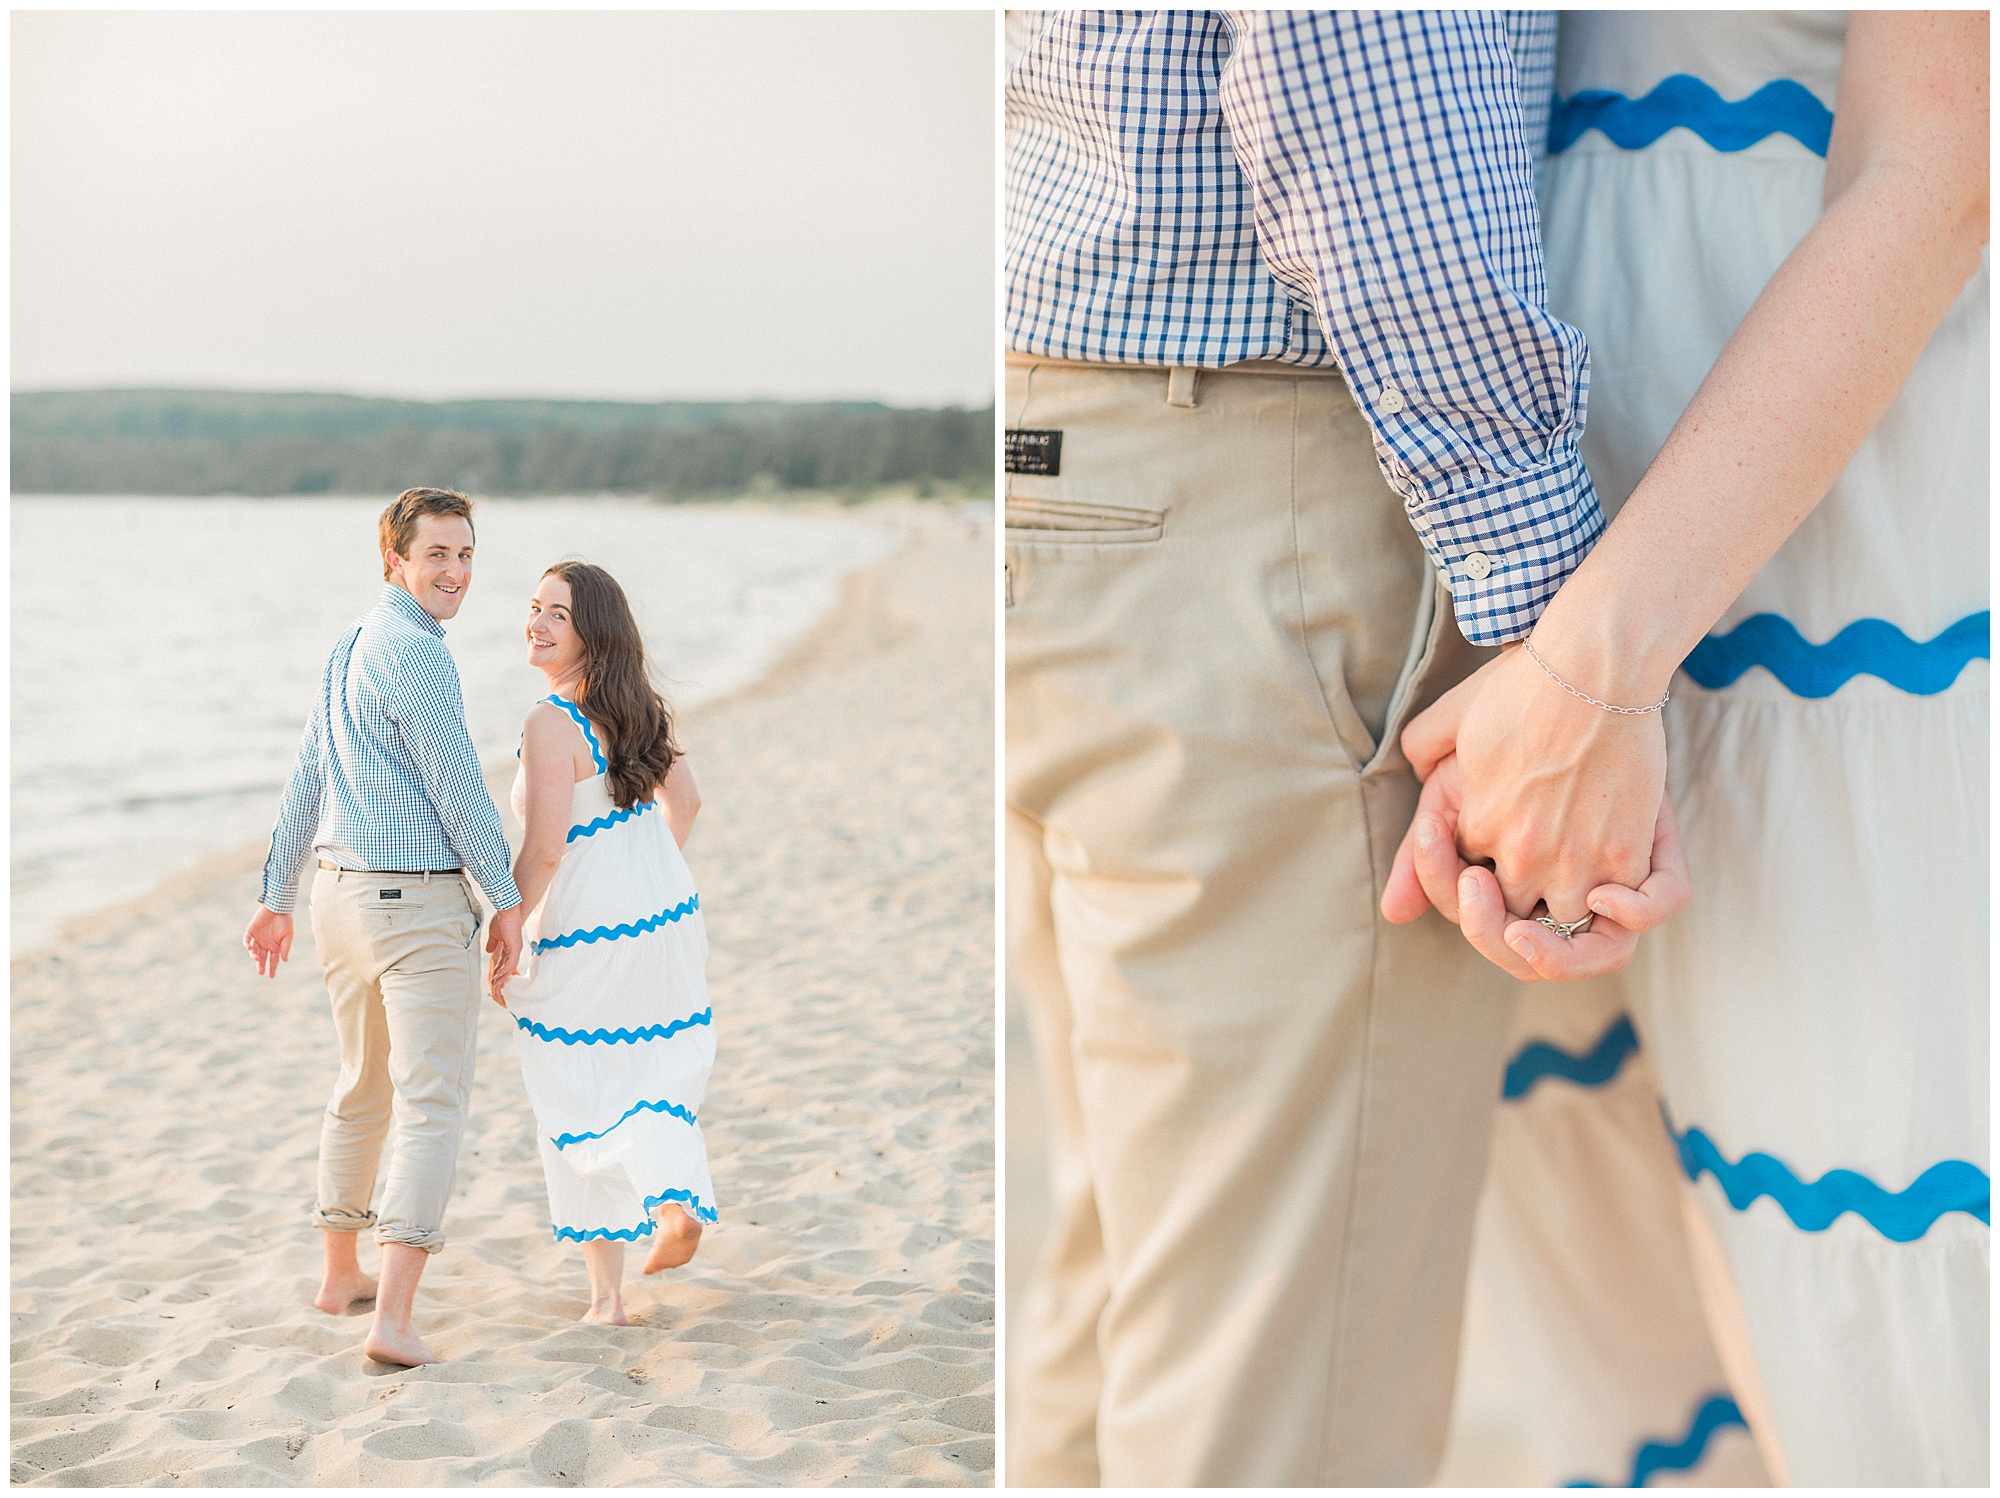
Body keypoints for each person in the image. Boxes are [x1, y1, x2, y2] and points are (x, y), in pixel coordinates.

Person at [1003, 11, 1681, 1485]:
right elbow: (1354, 57)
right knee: (1276, 1400)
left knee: (1128, 1289)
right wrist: (1566, 654)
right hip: (1285, 485)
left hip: (1072, 448)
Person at [1386, 10, 1988, 1485]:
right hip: (1532, 564)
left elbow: (1942, 156)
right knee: (1623, 1317)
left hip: (1830, 575)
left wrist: (1592, 671)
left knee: (1878, 1324)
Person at [243, 486, 525, 1368]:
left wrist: (275, 894)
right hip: (413, 908)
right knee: (432, 1104)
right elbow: (459, 787)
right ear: (394, 561)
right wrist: (508, 898)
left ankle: (340, 1277)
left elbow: (305, 779)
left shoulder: (349, 645)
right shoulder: (418, 656)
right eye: (437, 555)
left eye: (467, 554)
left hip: (338, 900)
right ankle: (393, 1321)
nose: (455, 573)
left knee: (362, 1085)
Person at [492, 561, 714, 1328]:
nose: (538, 623)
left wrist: (508, 922)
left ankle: (615, 1288)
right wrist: (644, 875)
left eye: (558, 613)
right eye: (534, 608)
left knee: (579, 1080)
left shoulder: (550, 722)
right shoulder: (641, 709)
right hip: (665, 914)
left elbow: (546, 847)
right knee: (644, 1065)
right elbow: (683, 802)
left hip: (591, 921)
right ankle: (667, 1210)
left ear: (594, 630)